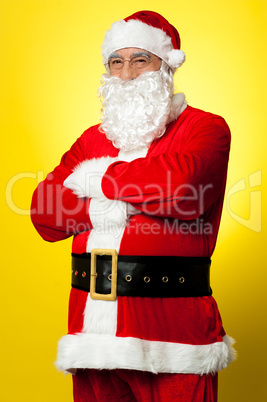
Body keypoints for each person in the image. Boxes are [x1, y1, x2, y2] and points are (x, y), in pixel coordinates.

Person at [31, 10, 235, 402]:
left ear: (165, 67)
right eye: (116, 61)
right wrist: (121, 202)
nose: (126, 74)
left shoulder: (205, 128)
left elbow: (181, 187)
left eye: (140, 60)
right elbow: (45, 212)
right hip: (91, 333)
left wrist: (95, 180)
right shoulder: (92, 138)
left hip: (172, 332)